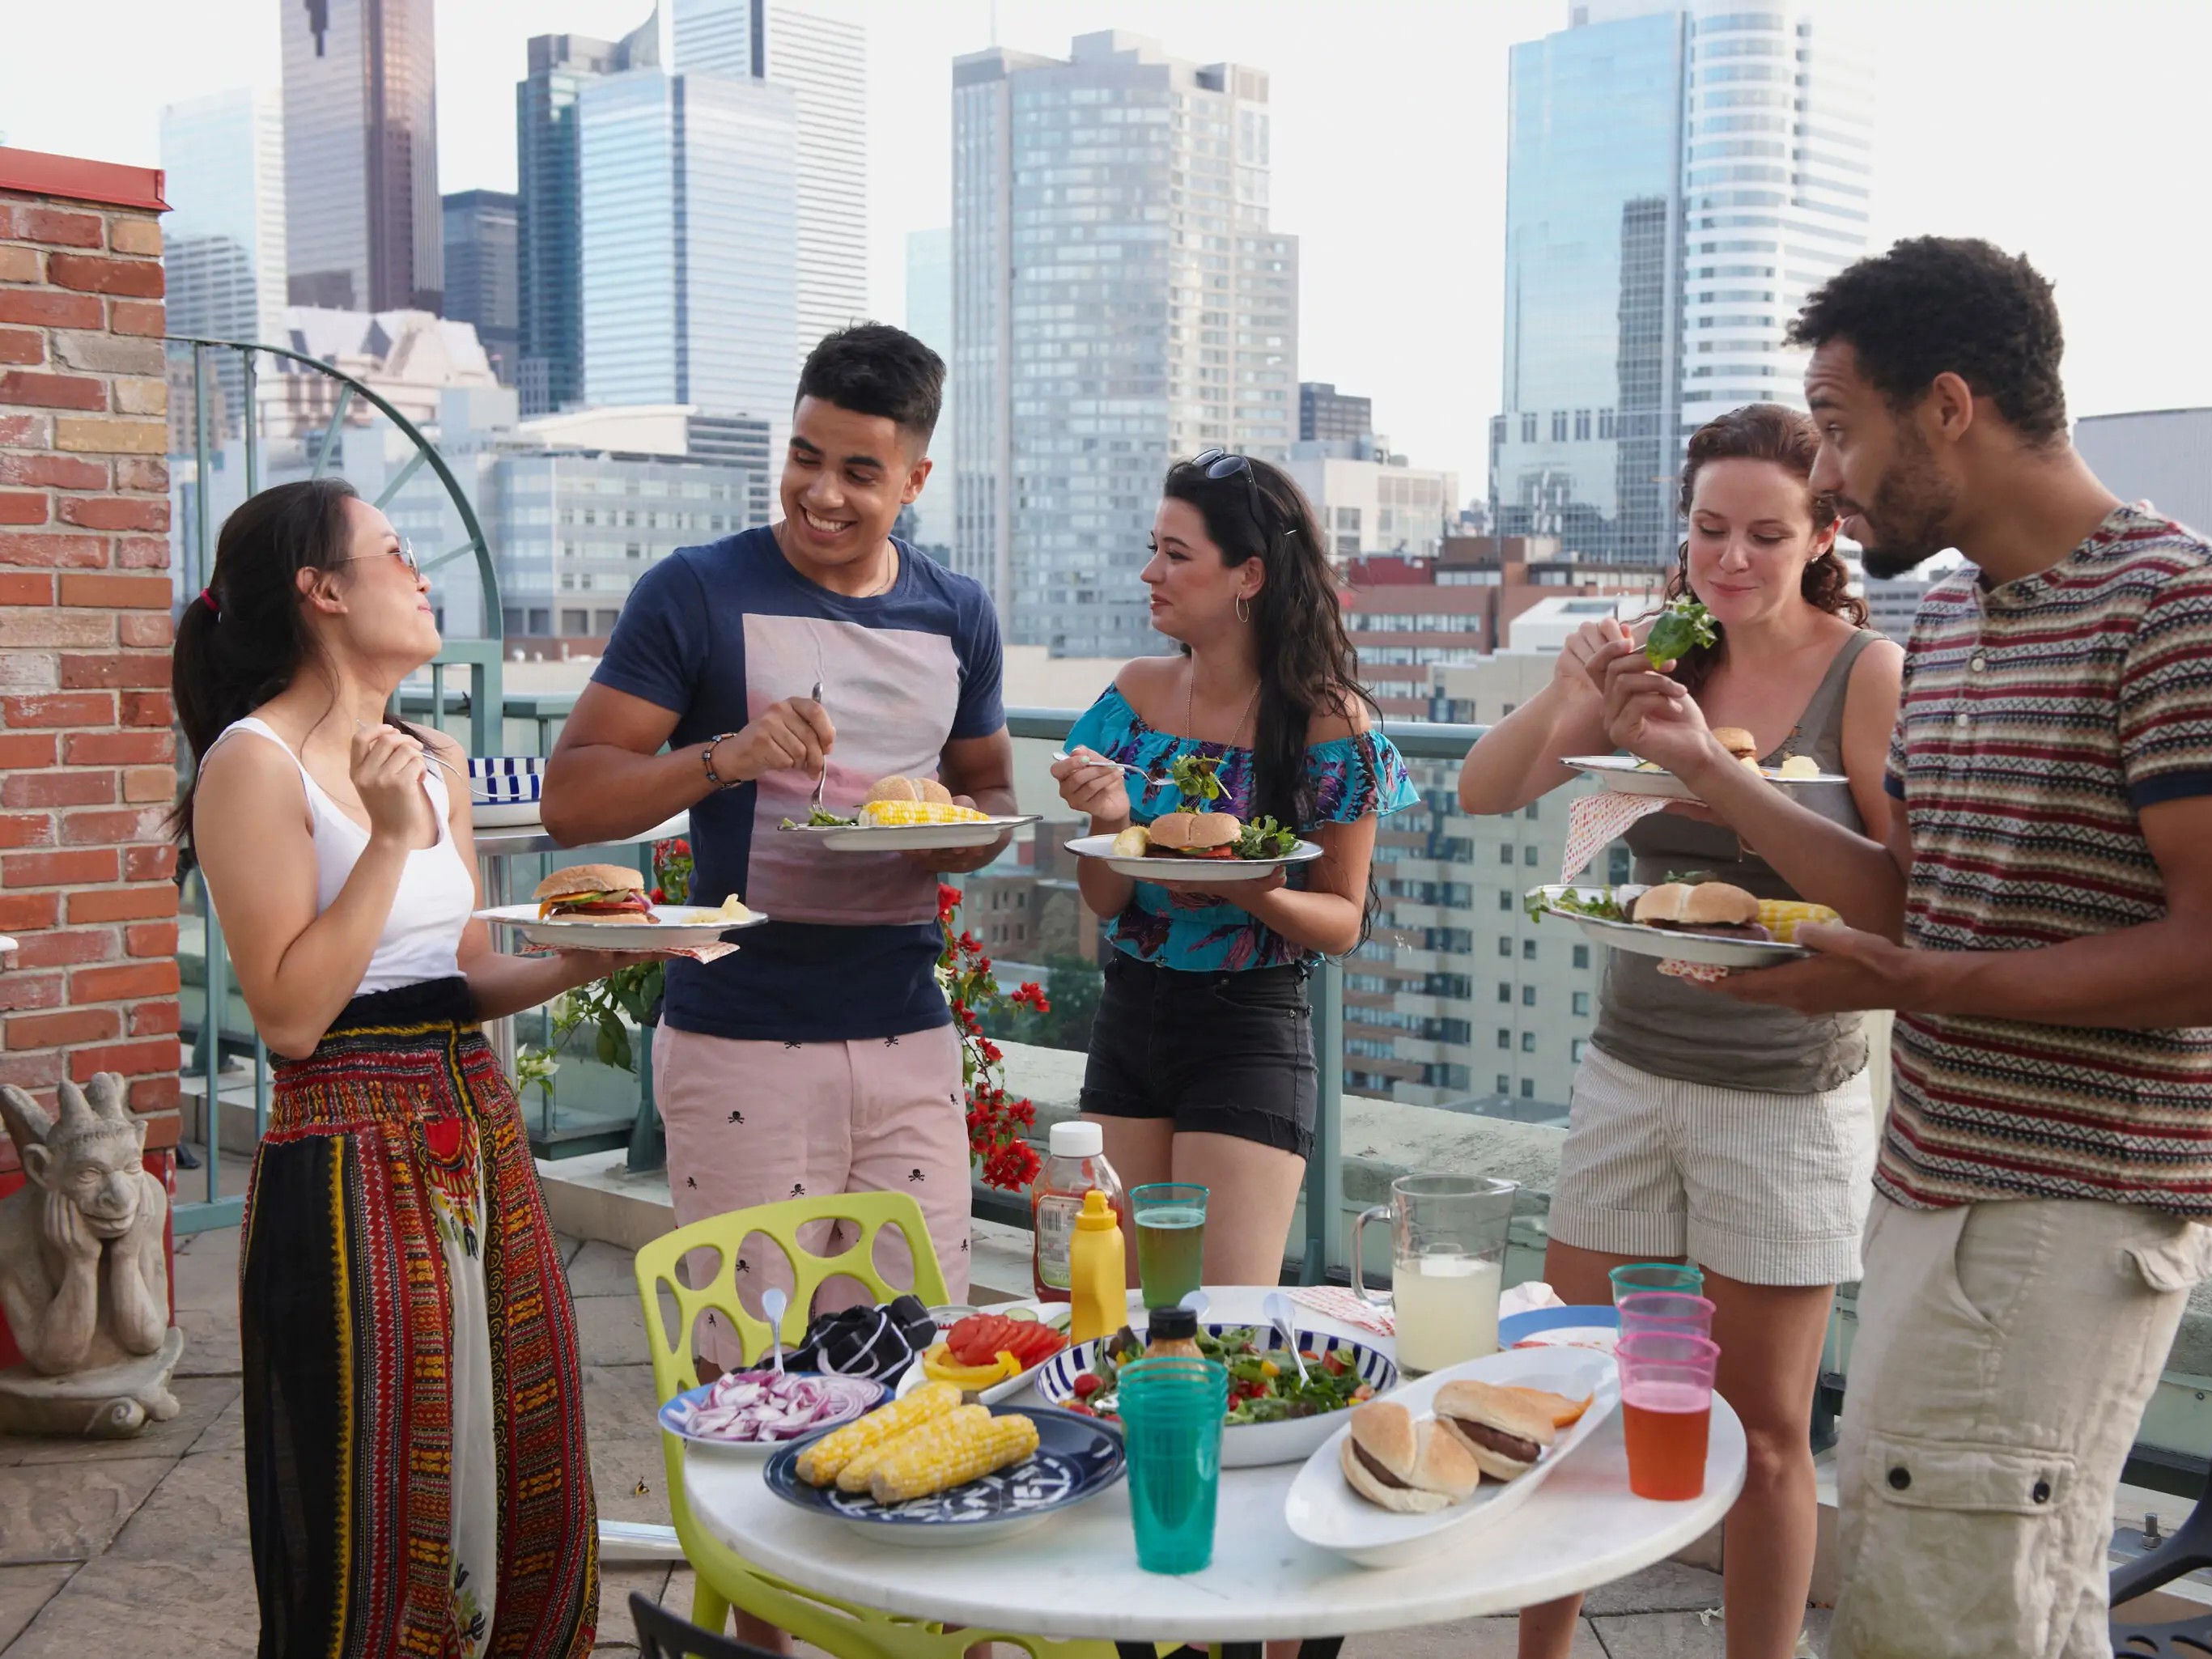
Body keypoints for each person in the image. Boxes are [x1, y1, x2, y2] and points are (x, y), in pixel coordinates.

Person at [1602, 238, 2212, 1658]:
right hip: (1930, 1183)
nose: (1834, 482)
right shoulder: (1955, 614)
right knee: (1929, 1604)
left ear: (1950, 405)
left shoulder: (2189, 608)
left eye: (1843, 430)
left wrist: (1914, 985)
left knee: (1962, 1623)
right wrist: (1718, 777)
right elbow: (1921, 896)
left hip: (2067, 1208)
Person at [1461, 404, 1900, 1659]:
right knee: (1575, 1385)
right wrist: (1572, 694)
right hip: (1631, 1067)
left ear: (1822, 534)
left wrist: (1719, 769)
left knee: (1764, 1429)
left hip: (1786, 1087)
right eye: (1710, 529)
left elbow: (1892, 887)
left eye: (1768, 532)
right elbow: (1492, 791)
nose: (1732, 559)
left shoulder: (1862, 671)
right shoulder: (1668, 646)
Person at [173, 478, 633, 1658]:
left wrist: (586, 958)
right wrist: (383, 838)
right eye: (393, 552)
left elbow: (460, 967)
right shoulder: (252, 761)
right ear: (320, 591)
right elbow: (287, 1013)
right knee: (375, 1498)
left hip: (470, 1124)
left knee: (511, 1461)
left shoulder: (429, 759)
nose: (420, 573)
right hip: (346, 1156)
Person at [543, 323, 1004, 1307]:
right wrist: (729, 756)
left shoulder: (958, 613)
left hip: (909, 1032)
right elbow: (572, 796)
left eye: (858, 471)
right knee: (752, 1368)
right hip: (739, 1034)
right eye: (804, 457)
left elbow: (992, 794)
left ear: (914, 481)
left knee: (919, 1362)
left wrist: (968, 834)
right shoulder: (697, 590)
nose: (821, 493)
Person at [1049, 452, 1416, 1286]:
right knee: (1116, 1312)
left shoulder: (1326, 720)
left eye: (1177, 555)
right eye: (1154, 548)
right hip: (1130, 1009)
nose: (1151, 572)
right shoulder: (1133, 696)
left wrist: (1262, 891)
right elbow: (1107, 899)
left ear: (1248, 573)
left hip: (1248, 1026)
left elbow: (1345, 920)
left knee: (1214, 1320)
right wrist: (1109, 817)